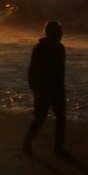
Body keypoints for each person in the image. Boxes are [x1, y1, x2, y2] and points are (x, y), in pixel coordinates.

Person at [23, 20, 67, 155]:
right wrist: (35, 86)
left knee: (61, 117)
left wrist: (60, 87)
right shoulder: (40, 49)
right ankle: (28, 141)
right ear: (52, 33)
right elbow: (33, 69)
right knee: (40, 117)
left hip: (56, 88)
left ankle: (58, 147)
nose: (61, 34)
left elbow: (61, 71)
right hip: (43, 88)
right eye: (59, 32)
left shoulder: (60, 48)